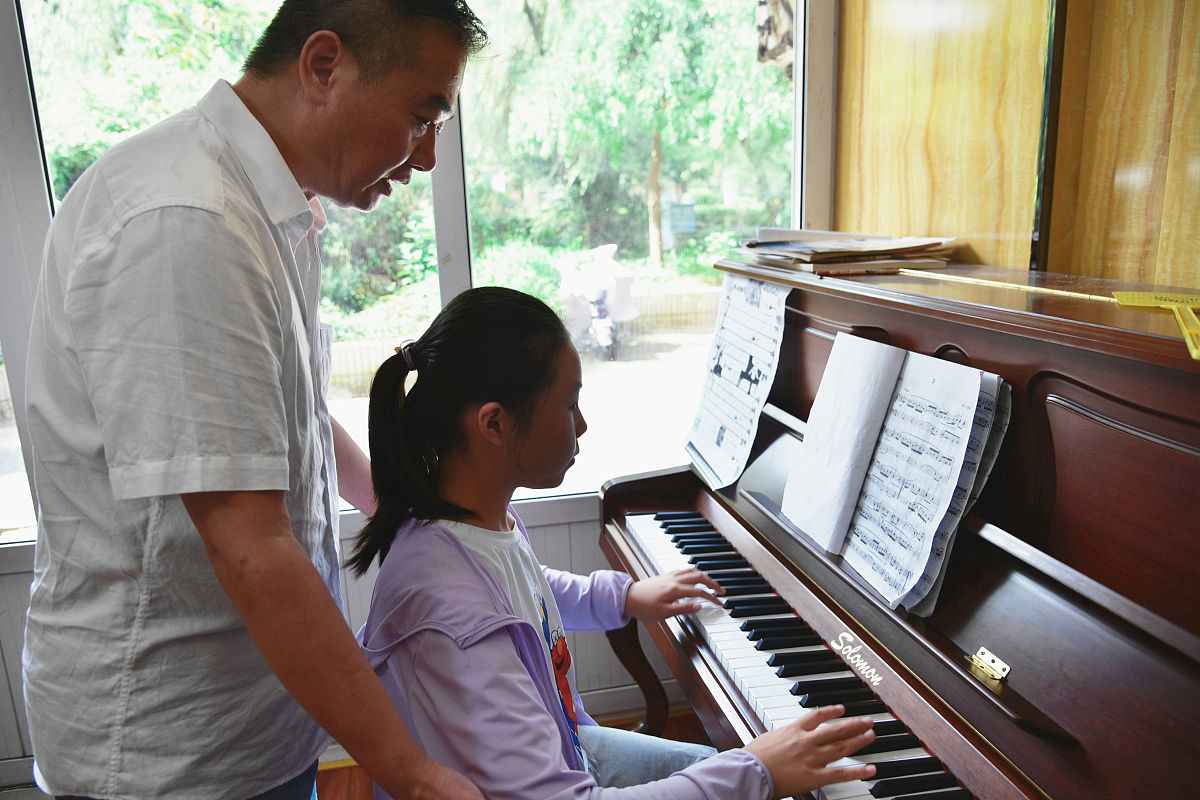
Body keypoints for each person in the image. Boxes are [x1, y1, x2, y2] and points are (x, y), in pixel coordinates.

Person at [22, 2, 489, 798]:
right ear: (323, 66)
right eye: (422, 119)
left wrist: (403, 510)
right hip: (170, 754)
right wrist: (409, 773)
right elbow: (250, 546)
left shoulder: (268, 207)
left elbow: (278, 416)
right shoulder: (188, 220)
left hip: (252, 724)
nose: (428, 157)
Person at [349, 286, 878, 799]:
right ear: (494, 423)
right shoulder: (451, 612)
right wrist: (757, 772)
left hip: (569, 746)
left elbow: (525, 595)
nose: (582, 424)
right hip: (558, 780)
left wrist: (623, 597)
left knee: (727, 768)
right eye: (569, 405)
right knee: (750, 778)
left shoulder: (477, 525)